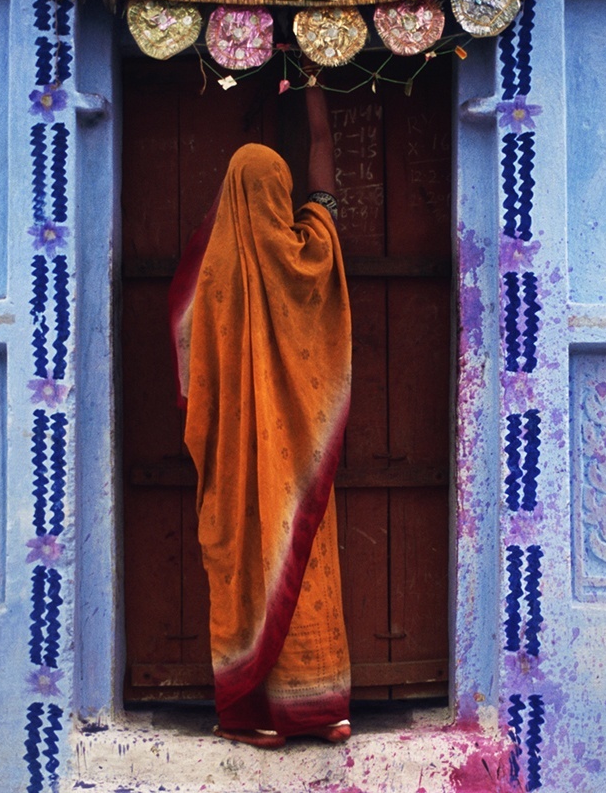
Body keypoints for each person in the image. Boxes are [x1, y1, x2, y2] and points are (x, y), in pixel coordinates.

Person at [168, 85, 352, 748]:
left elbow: (185, 344)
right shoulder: (313, 250)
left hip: (242, 466)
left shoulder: (214, 274)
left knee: (249, 567)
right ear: (280, 190)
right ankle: (323, 710)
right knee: (305, 565)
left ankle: (248, 715)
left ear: (230, 195)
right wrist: (314, 93)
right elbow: (325, 155)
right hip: (301, 463)